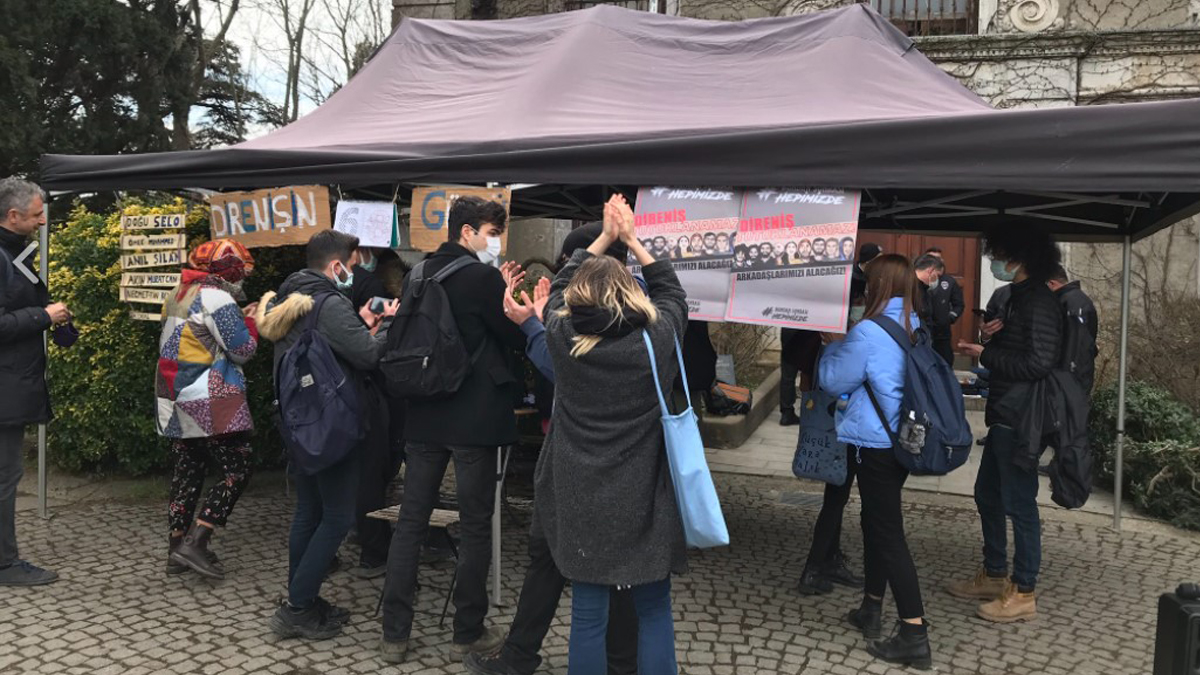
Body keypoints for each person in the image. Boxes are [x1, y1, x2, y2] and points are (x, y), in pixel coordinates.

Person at [468, 221, 641, 675]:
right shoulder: (651, 322)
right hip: (618, 470)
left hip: (581, 466)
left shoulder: (591, 324)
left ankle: (533, 656)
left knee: (595, 573)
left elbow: (562, 363)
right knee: (578, 564)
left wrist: (534, 323)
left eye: (571, 263)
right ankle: (524, 654)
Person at [536, 194, 687, 675]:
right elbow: (673, 294)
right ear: (632, 295)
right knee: (653, 608)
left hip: (581, 492)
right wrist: (632, 239)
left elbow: (559, 287)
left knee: (587, 615)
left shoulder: (562, 339)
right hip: (644, 493)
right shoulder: (656, 341)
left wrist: (603, 237)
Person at [379, 196, 526, 663]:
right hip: (473, 419)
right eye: (490, 232)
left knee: (410, 523)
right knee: (476, 525)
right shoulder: (481, 277)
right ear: (467, 232)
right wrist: (501, 293)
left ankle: (394, 634)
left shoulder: (418, 274)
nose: (494, 241)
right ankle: (468, 633)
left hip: (424, 412)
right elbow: (512, 337)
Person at [257, 229, 398, 639]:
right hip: (330, 425)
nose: (355, 272)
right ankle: (298, 606)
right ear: (336, 265)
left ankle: (302, 599)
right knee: (336, 517)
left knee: (310, 512)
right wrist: (389, 322)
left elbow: (330, 345)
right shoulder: (329, 302)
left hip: (299, 423)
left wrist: (361, 325)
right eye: (352, 265)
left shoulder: (288, 298)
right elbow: (368, 355)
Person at [819, 253, 931, 669]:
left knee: (887, 534)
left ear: (879, 286)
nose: (864, 288)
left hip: (876, 446)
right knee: (875, 524)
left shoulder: (868, 331)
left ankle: (914, 632)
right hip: (899, 443)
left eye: (869, 282)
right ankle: (870, 606)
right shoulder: (914, 325)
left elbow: (834, 381)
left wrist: (832, 348)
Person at [952, 227, 1063, 624]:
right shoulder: (1018, 297)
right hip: (1005, 411)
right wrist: (991, 342)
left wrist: (988, 354)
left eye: (1000, 253)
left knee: (1019, 503)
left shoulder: (1038, 302)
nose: (995, 261)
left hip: (1022, 417)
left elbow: (1038, 363)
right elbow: (1020, 351)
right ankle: (995, 574)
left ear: (1020, 256)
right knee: (987, 495)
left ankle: (1024, 589)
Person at [158, 239, 259, 580]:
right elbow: (242, 350)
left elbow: (196, 334)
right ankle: (197, 542)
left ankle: (175, 551)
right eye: (239, 271)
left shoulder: (179, 293)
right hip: (208, 397)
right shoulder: (218, 297)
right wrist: (253, 322)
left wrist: (236, 319)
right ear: (227, 270)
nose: (242, 278)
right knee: (238, 468)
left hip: (175, 394)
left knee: (188, 471)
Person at [0, 178, 65, 587]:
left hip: (11, 383)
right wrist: (44, 317)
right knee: (5, 478)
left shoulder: (13, 253)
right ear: (13, 216)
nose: (43, 221)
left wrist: (49, 311)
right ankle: (6, 565)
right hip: (4, 388)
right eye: (38, 215)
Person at [796, 291, 868, 596]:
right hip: (841, 426)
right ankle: (814, 569)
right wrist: (838, 344)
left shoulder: (849, 337)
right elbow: (831, 381)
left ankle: (829, 559)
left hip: (848, 425)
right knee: (835, 498)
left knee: (836, 497)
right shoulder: (833, 340)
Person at [346, 245, 404, 579]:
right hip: (374, 390)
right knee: (373, 472)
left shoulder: (312, 289)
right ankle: (373, 548)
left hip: (347, 396)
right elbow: (369, 351)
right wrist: (379, 326)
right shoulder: (368, 286)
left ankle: (361, 533)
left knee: (363, 474)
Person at [1047, 264, 1098, 394]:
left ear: (1051, 284)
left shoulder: (1070, 303)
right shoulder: (1074, 300)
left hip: (1068, 380)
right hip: (1073, 378)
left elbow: (1075, 345)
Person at [924, 247, 964, 365]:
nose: (935, 261)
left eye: (938, 258)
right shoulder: (918, 280)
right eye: (932, 258)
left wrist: (950, 317)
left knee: (945, 364)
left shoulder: (949, 281)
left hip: (942, 333)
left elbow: (959, 304)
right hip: (923, 332)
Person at [914, 254, 953, 366]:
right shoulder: (911, 289)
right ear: (930, 271)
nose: (939, 280)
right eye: (938, 276)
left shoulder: (924, 290)